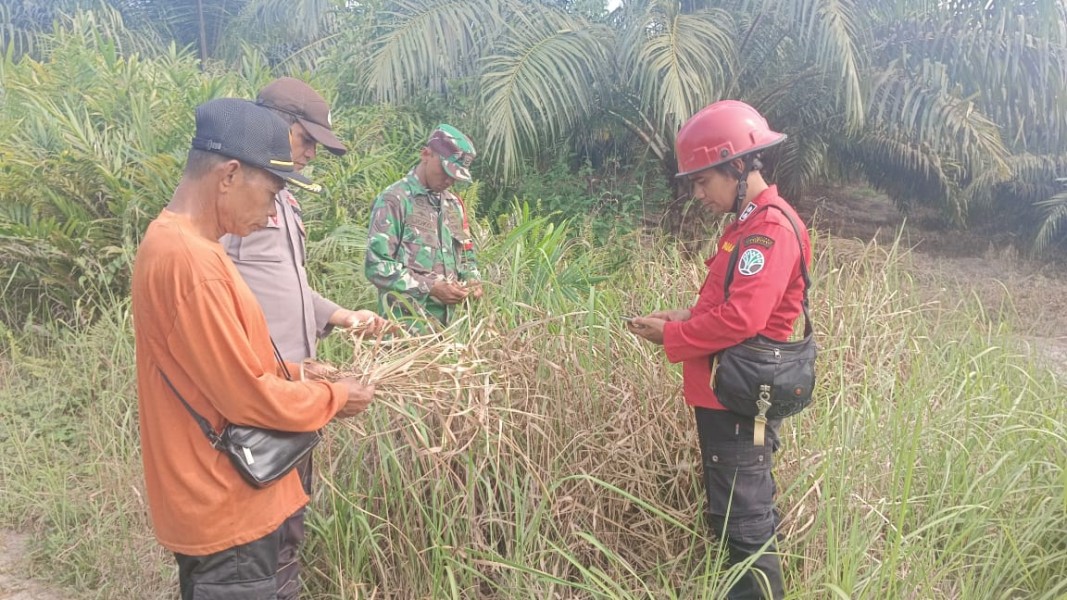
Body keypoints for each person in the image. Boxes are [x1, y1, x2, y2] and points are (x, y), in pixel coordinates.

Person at [131, 97, 376, 600]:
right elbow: (247, 396)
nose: (269, 216)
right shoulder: (190, 263)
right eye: (270, 195)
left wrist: (298, 374)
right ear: (229, 175)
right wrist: (334, 398)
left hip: (230, 501)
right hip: (226, 507)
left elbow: (224, 366)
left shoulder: (192, 246)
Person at [627, 100, 811, 600]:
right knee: (736, 512)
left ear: (738, 165)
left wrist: (672, 337)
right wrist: (680, 318)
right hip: (729, 394)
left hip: (740, 402)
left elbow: (743, 320)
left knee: (746, 523)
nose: (697, 193)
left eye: (703, 180)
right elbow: (731, 308)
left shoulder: (769, 229)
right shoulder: (747, 225)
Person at [219, 78, 388, 597]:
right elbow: (220, 290)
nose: (311, 153)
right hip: (254, 390)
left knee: (290, 520)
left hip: (296, 389)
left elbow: (287, 285)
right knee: (253, 533)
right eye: (306, 139)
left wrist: (341, 315)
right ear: (273, 125)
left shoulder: (283, 200)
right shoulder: (233, 198)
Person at [364, 124, 483, 328]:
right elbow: (376, 266)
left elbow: (466, 255)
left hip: (449, 330)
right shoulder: (395, 200)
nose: (449, 181)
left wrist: (472, 280)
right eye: (445, 171)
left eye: (455, 176)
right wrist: (431, 287)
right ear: (426, 154)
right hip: (405, 329)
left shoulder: (453, 205)